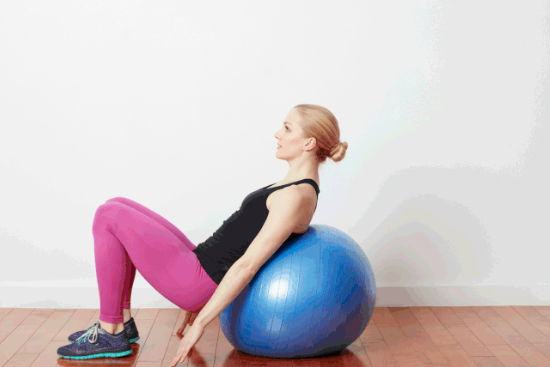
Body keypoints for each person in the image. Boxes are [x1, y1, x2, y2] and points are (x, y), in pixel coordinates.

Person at [56, 104, 348, 362]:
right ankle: (124, 324)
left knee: (108, 216)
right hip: (200, 261)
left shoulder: (296, 196)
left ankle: (111, 330)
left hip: (198, 280)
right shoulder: (294, 187)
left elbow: (248, 264)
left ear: (309, 142)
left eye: (286, 128)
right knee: (117, 205)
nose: (277, 134)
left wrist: (201, 322)